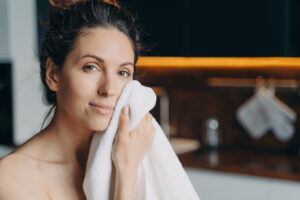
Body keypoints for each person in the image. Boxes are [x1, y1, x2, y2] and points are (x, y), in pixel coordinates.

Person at [0, 0, 156, 199]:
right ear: (53, 75)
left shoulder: (131, 150)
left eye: (123, 72)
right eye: (91, 67)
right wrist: (127, 171)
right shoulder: (11, 178)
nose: (109, 89)